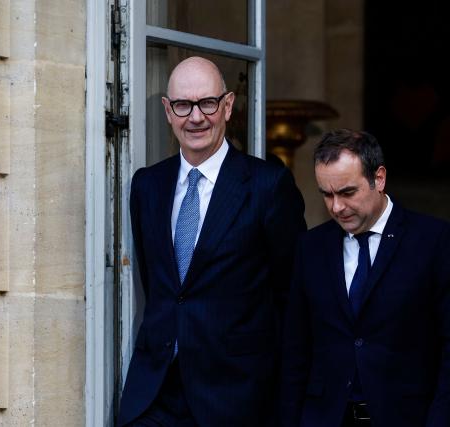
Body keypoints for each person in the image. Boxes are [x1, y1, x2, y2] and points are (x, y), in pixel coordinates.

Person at [118, 56, 306, 426]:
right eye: (183, 105)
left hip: (235, 398)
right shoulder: (147, 186)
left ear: (228, 106)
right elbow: (161, 286)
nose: (196, 117)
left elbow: (292, 298)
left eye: (207, 103)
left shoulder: (268, 186)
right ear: (167, 112)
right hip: (154, 395)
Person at [281, 129, 450, 427]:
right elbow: (296, 351)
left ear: (379, 178)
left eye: (347, 192)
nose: (336, 207)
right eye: (327, 194)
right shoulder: (310, 248)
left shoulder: (433, 241)